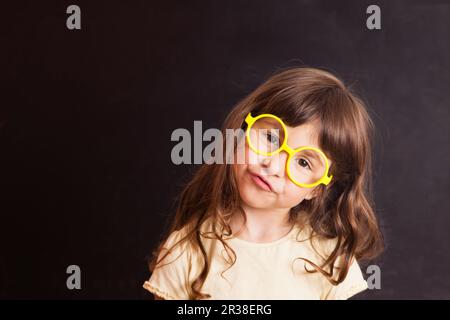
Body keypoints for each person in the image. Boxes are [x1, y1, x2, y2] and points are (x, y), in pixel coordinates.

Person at [143, 67, 384, 300]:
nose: (273, 166)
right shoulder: (185, 253)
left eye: (303, 163)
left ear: (317, 189)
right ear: (242, 129)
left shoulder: (330, 259)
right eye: (270, 137)